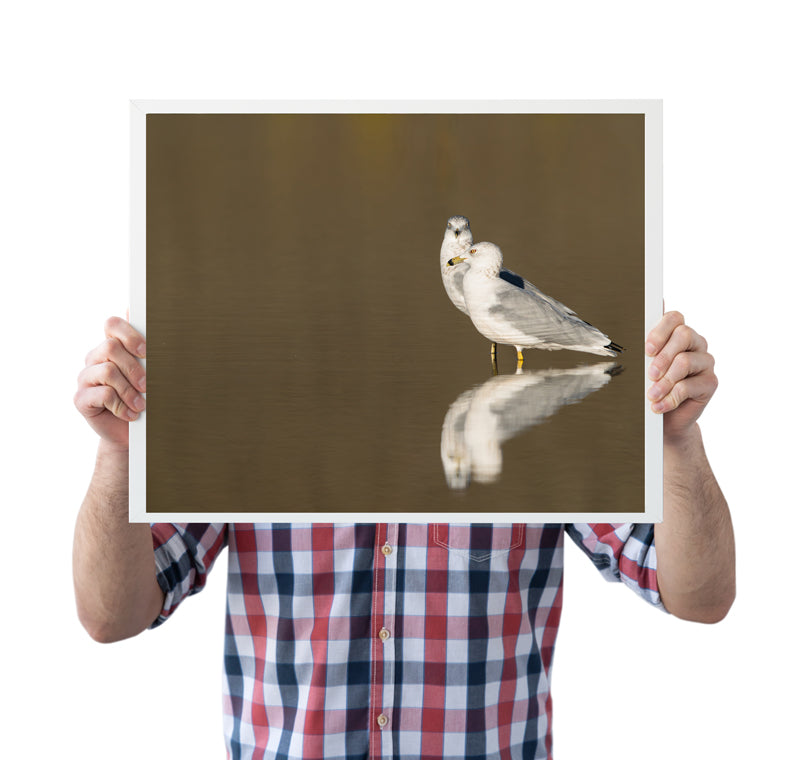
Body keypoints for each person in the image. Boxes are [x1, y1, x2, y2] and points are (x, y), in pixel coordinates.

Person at [73, 311, 735, 760]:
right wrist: (121, 456)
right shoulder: (239, 385)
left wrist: (677, 443)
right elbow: (112, 613)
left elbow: (698, 596)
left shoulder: (543, 388)